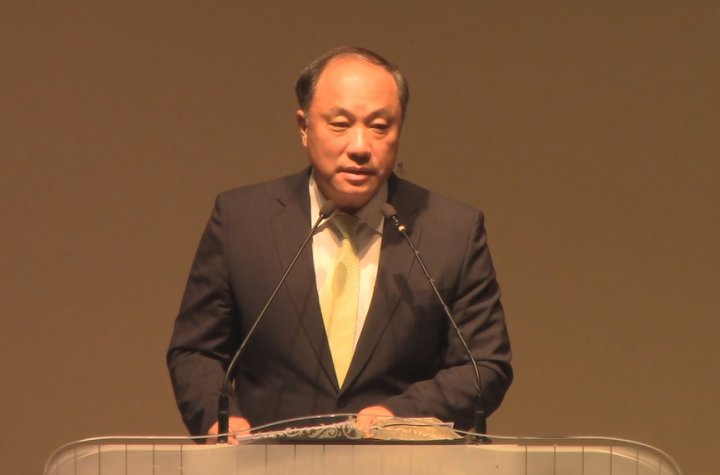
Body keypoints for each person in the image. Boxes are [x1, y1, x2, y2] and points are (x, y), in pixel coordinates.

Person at [167, 46, 512, 443]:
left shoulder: (452, 231)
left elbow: (484, 364)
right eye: (340, 124)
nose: (360, 146)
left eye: (380, 126)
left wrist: (400, 415)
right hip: (268, 462)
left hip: (403, 462)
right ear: (304, 127)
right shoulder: (242, 222)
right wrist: (219, 419)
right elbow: (196, 351)